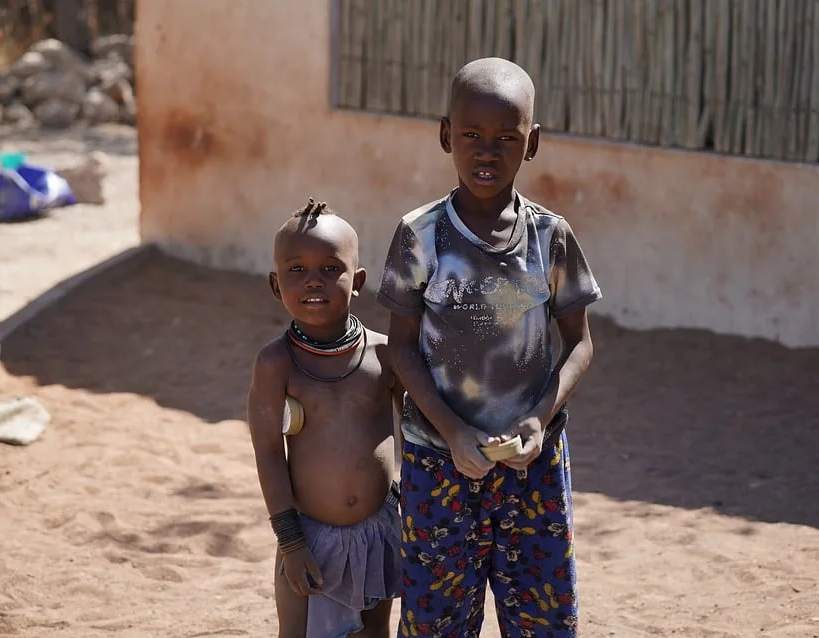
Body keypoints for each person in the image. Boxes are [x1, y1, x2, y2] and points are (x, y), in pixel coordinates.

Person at [377, 57, 603, 636]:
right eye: (472, 135)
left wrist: (537, 418)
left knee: (543, 619)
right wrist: (453, 432)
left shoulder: (551, 237)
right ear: (445, 134)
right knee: (436, 621)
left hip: (533, 466)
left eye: (507, 137)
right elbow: (400, 349)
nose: (487, 151)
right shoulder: (419, 235)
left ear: (532, 143)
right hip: (437, 462)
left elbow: (578, 343)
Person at [248, 199, 405, 638]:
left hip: (380, 531)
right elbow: (268, 453)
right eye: (296, 270)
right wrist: (291, 542)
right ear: (276, 286)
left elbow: (415, 432)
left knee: (373, 634)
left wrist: (410, 501)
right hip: (307, 537)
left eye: (329, 269)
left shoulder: (384, 355)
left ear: (357, 282)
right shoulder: (275, 363)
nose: (313, 281)